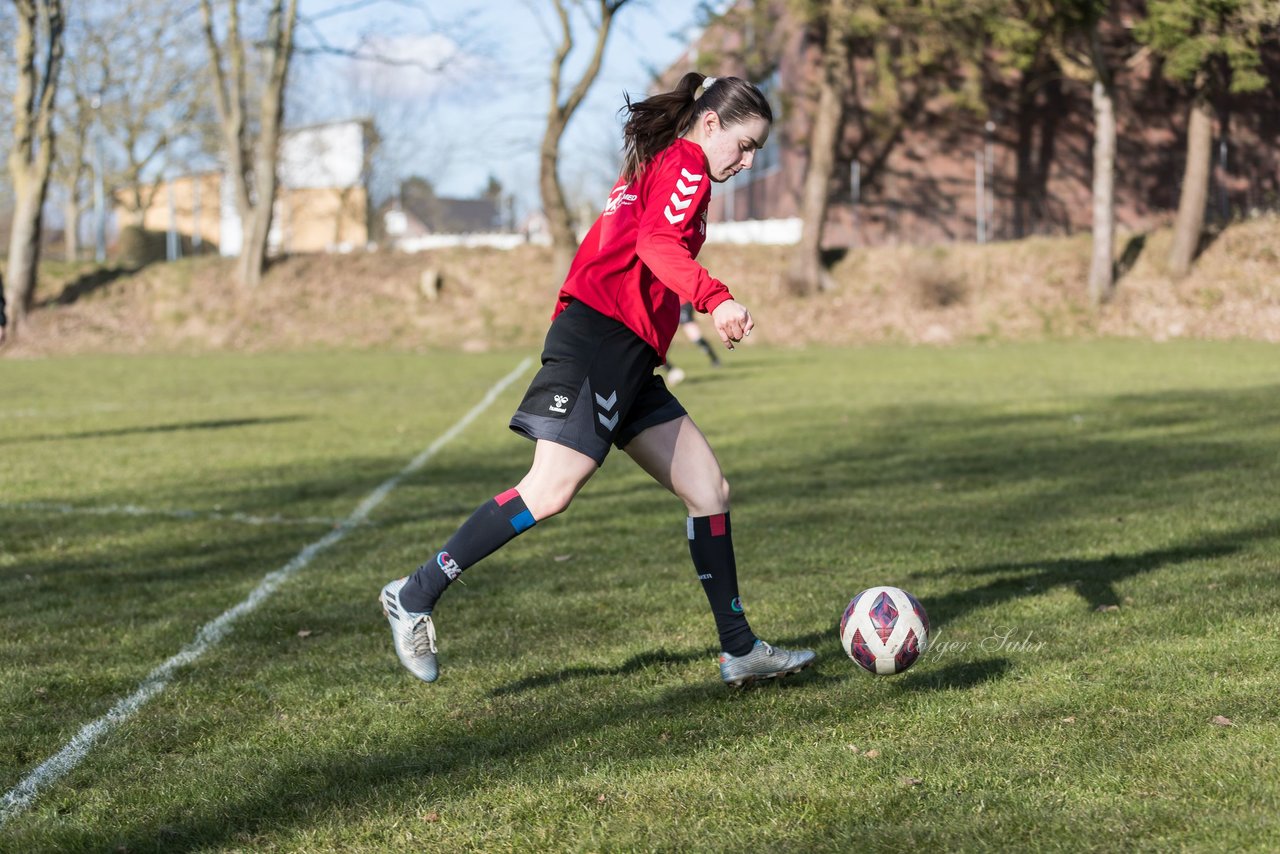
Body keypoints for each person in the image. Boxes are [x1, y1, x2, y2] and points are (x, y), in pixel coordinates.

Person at [381, 73, 815, 689]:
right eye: (744, 146)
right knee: (551, 489)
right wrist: (715, 299)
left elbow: (649, 244)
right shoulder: (687, 162)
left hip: (628, 354)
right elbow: (657, 244)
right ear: (711, 123)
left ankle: (740, 649)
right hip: (599, 342)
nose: (746, 162)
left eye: (756, 153)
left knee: (708, 489)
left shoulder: (667, 162)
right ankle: (415, 593)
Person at [663, 301, 722, 387]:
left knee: (694, 335)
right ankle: (671, 369)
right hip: (672, 304)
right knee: (661, 342)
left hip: (681, 304)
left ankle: (715, 360)